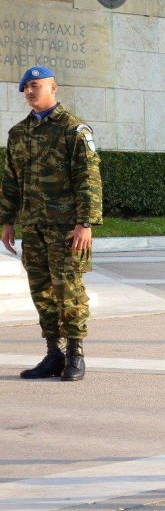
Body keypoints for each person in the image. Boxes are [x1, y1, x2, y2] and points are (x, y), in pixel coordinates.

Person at [0, 66, 102, 382]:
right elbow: (10, 180)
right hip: (33, 226)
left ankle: (75, 354)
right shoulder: (18, 133)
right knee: (41, 290)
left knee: (68, 289)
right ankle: (53, 353)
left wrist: (85, 223)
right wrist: (7, 220)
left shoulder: (74, 130)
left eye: (35, 85)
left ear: (53, 88)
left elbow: (89, 178)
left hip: (66, 228)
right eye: (25, 88)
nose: (30, 91)